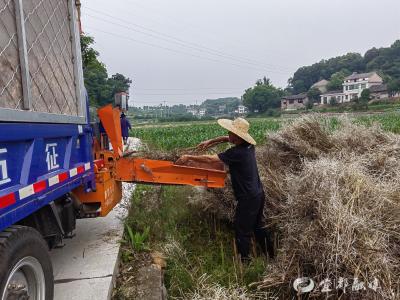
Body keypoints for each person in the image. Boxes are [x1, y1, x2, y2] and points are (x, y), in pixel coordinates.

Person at [176, 118, 274, 262]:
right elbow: (227, 138)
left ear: (238, 136)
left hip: (247, 197)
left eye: (231, 132)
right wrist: (211, 141)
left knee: (242, 230)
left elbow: (211, 160)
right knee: (257, 226)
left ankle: (245, 262)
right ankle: (271, 255)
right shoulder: (248, 147)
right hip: (258, 193)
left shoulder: (237, 153)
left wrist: (188, 157)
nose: (228, 134)